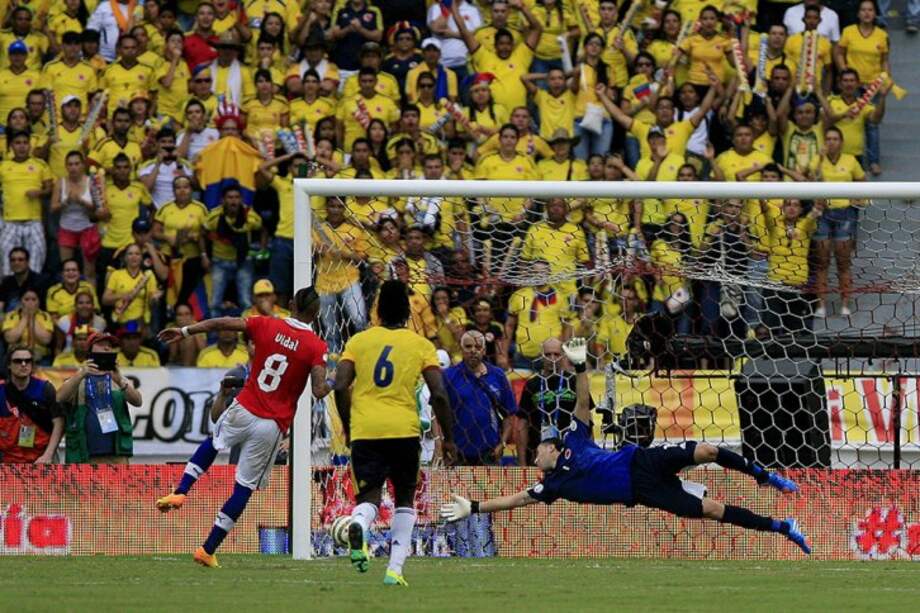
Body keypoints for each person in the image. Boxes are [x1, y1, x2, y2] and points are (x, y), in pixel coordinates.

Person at [440, 338, 813, 556]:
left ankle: (764, 476)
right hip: (644, 491)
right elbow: (514, 500)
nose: (535, 455)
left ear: (552, 448)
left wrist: (582, 366)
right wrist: (472, 506)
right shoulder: (552, 486)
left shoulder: (573, 440)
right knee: (712, 510)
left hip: (643, 460)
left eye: (538, 449)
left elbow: (583, 405)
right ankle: (784, 527)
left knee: (708, 451)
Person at [155, 287, 331, 568]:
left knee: (214, 442)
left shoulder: (266, 324)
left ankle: (182, 490)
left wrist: (186, 331)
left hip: (245, 405)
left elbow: (221, 322)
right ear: (316, 314)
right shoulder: (316, 346)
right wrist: (340, 379)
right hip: (271, 425)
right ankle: (207, 549)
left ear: (289, 304)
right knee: (243, 488)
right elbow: (320, 390)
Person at [333, 280, 457, 586]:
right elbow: (439, 394)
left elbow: (339, 385)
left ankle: (359, 523)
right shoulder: (420, 345)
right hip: (404, 431)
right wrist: (450, 438)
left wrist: (349, 427)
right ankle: (394, 570)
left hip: (366, 431)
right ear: (406, 311)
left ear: (377, 310)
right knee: (404, 499)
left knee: (369, 496)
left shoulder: (358, 341)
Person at [56, 331, 142, 464]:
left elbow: (138, 401)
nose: (107, 348)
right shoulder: (79, 378)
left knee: (118, 486)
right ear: (90, 350)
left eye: (110, 345)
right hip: (84, 454)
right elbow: (59, 398)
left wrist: (120, 380)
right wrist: (80, 375)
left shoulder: (118, 378)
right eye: (102, 344)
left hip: (116, 454)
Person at [444, 330, 521, 466]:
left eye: (478, 347)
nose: (473, 350)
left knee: (489, 488)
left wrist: (502, 444)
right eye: (468, 347)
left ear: (484, 350)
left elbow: (509, 414)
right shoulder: (449, 376)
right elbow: (438, 414)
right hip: (458, 453)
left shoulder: (498, 375)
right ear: (461, 349)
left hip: (489, 453)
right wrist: (444, 443)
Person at [0, 347, 63, 464]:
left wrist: (48, 455)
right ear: (9, 365)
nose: (23, 364)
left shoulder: (45, 388)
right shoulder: (1, 390)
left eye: (27, 361)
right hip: (7, 459)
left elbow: (59, 421)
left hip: (41, 458)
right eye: (18, 361)